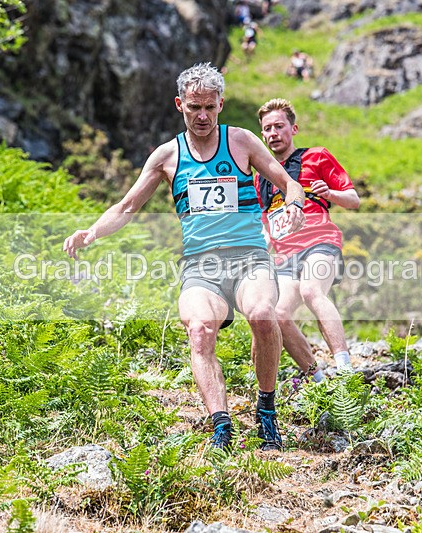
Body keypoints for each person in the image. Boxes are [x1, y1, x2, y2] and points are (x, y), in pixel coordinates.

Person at [63, 64, 306, 451]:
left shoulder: (242, 142)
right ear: (180, 105)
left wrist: (294, 206)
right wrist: (92, 231)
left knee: (262, 314)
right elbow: (126, 206)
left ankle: (266, 412)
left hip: (248, 259)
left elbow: (290, 184)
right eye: (195, 107)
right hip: (201, 266)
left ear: (221, 104)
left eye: (210, 107)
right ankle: (221, 426)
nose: (203, 116)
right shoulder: (167, 156)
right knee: (199, 329)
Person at [255, 98, 360, 382]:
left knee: (312, 290)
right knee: (277, 313)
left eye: (279, 126)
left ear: (294, 128)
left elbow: (353, 200)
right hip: (284, 253)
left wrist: (330, 194)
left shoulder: (317, 156)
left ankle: (345, 368)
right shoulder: (260, 178)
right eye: (267, 128)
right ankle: (317, 379)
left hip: (320, 241)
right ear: (262, 135)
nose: (273, 133)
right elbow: (265, 224)